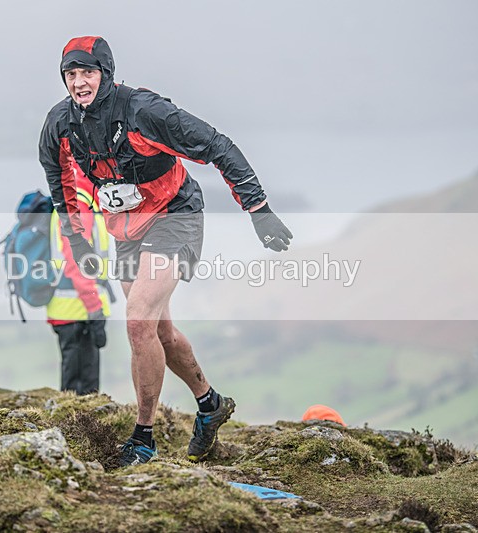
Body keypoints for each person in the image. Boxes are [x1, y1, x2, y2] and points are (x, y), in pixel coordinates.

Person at [39, 36, 293, 466]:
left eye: (88, 72)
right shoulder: (61, 123)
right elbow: (60, 183)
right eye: (71, 74)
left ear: (106, 72)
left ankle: (143, 439)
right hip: (127, 228)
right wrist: (79, 241)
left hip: (176, 215)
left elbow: (217, 146)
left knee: (137, 321)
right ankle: (210, 403)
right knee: (158, 332)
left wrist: (259, 210)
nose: (79, 82)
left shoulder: (143, 110)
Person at [46, 173, 111, 395]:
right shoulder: (79, 202)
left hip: (75, 308)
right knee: (80, 394)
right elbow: (77, 261)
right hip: (78, 310)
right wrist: (95, 310)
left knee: (79, 393)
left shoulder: (79, 197)